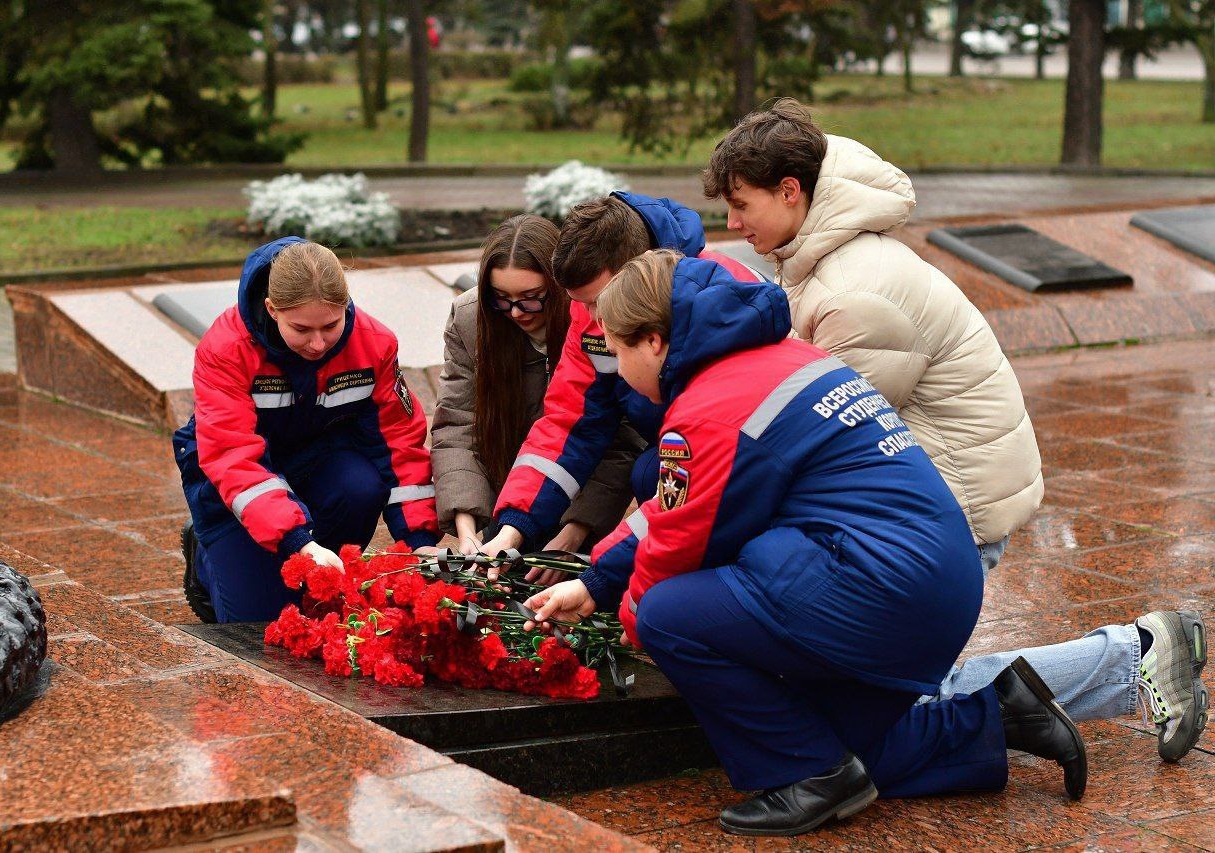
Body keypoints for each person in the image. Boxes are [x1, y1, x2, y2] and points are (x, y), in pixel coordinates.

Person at [702, 98, 1208, 762]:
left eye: (742, 205)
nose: (733, 224)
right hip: (928, 486)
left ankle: (1140, 652)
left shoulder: (857, 288)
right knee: (877, 693)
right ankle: (1136, 651)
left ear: (791, 190)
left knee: (902, 704)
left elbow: (820, 440)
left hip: (951, 501)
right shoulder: (824, 261)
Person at [525, 251, 1087, 836]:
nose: (615, 366)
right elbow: (679, 509)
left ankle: (815, 778)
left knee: (668, 615)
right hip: (939, 580)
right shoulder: (775, 357)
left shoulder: (708, 410)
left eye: (617, 350)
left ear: (656, 342)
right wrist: (595, 583)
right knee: (841, 745)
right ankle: (999, 717)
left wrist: (632, 620)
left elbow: (678, 547)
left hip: (880, 587)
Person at [478, 192, 761, 563]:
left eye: (598, 301)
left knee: (655, 480)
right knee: (651, 473)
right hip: (673, 447)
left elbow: (724, 445)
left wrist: (611, 571)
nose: (594, 320)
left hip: (745, 453)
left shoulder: (722, 295)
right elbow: (569, 421)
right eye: (581, 304)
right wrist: (512, 529)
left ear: (636, 267)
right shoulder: (595, 309)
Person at [174, 238, 440, 623]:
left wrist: (419, 542)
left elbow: (400, 443)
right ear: (271, 309)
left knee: (361, 488)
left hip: (320, 464)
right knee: (257, 624)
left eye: (331, 325)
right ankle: (206, 557)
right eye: (301, 329)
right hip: (234, 486)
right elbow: (231, 457)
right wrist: (298, 542)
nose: (318, 344)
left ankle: (313, 567)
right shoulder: (226, 348)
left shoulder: (374, 344)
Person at [431, 215, 645, 579]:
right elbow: (456, 423)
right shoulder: (471, 318)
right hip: (509, 499)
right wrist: (467, 529)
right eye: (501, 299)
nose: (516, 313)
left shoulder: (596, 322)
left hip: (584, 500)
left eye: (531, 299)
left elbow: (621, 436)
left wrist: (574, 533)